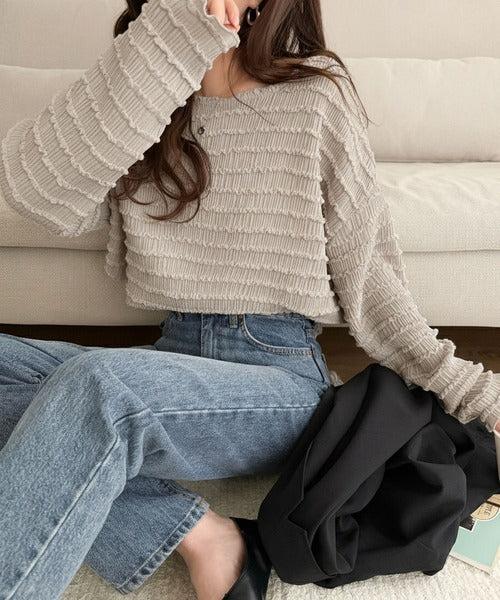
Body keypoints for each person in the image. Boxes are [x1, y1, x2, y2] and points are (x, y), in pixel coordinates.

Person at [0, 1, 498, 599]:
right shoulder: (144, 85)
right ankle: (199, 533)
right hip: (170, 361)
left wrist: (479, 394)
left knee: (96, 389)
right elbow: (39, 195)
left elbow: (373, 284)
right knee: (67, 388)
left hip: (279, 379)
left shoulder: (316, 95)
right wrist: (168, 38)